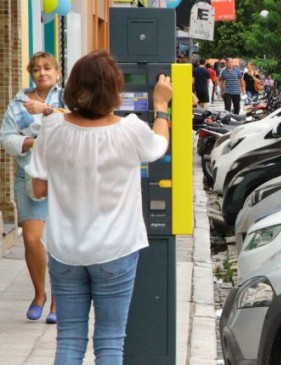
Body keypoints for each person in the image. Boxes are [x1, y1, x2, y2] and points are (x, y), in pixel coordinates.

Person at [25, 49, 172, 364]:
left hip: (65, 250)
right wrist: (161, 107)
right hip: (116, 250)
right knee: (109, 344)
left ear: (73, 86)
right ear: (114, 90)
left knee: (69, 340)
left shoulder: (52, 128)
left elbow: (38, 189)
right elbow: (159, 147)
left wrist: (68, 180)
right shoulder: (130, 129)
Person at [0, 51, 63, 324]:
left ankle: (58, 304)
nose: (42, 73)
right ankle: (39, 295)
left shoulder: (66, 97)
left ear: (57, 72)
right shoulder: (19, 102)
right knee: (31, 240)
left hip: (64, 179)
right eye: (36, 69)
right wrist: (31, 143)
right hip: (30, 178)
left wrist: (48, 111)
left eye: (47, 68)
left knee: (61, 243)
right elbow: (5, 136)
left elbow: (78, 121)